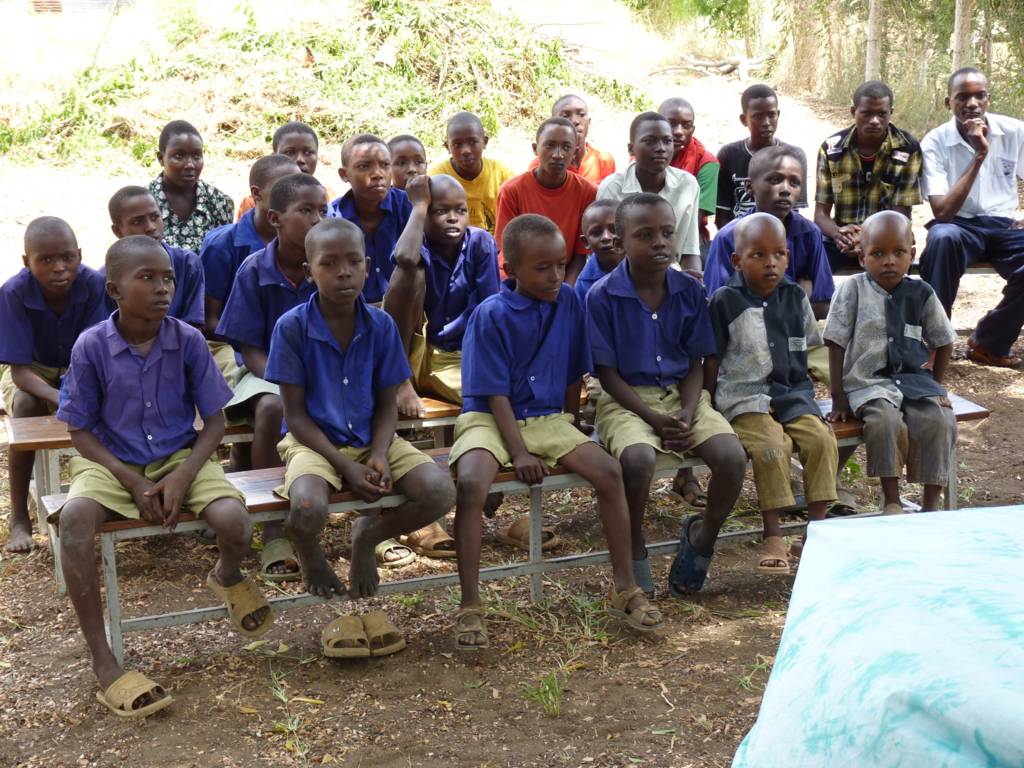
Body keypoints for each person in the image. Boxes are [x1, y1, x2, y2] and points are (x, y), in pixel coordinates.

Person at [56, 236, 271, 718]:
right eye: (146, 278)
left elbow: (214, 422)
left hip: (179, 457)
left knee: (235, 522)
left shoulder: (188, 340)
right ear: (114, 288)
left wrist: (183, 476)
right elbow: (79, 431)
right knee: (73, 523)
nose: (161, 288)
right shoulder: (92, 346)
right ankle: (103, 660)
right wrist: (131, 482)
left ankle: (227, 575)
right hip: (112, 463)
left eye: (168, 277)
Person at [449, 214, 662, 650]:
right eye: (541, 268)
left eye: (560, 265)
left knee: (608, 471)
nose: (554, 276)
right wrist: (519, 453)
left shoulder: (568, 301)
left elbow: (572, 371)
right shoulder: (491, 314)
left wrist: (571, 424)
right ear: (511, 269)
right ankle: (470, 604)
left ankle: (624, 586)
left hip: (546, 418)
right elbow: (494, 396)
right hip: (492, 418)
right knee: (471, 482)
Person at [266, 219, 455, 656]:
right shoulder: (292, 328)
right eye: (328, 264)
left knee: (439, 491)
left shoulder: (382, 325)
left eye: (353, 262)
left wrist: (381, 453)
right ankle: (309, 550)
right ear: (309, 269)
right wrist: (345, 465)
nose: (343, 272)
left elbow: (388, 403)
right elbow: (294, 417)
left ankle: (368, 537)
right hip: (313, 441)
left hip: (374, 435)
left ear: (369, 267)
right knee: (308, 506)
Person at [587, 194, 746, 598]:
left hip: (682, 393)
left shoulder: (689, 291)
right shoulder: (602, 296)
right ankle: (634, 542)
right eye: (645, 235)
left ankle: (703, 535)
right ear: (621, 242)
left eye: (667, 233)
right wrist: (654, 419)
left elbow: (696, 362)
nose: (659, 242)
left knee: (731, 457)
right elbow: (606, 375)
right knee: (638, 460)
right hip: (626, 398)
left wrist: (688, 411)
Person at [706, 213, 838, 575]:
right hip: (744, 397)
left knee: (821, 440)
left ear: (789, 256)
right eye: (758, 255)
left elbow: (813, 350)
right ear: (737, 260)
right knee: (771, 447)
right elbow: (711, 359)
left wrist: (841, 394)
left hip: (793, 393)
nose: (771, 263)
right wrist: (707, 404)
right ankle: (774, 533)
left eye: (779, 254)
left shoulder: (795, 297)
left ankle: (816, 529)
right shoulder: (724, 301)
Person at [382, 174, 500, 558]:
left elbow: (487, 309)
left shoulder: (480, 243)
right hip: (410, 349)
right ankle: (400, 380)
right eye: (439, 211)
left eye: (460, 211)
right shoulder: (416, 245)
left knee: (490, 398)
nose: (452, 219)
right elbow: (403, 259)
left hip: (459, 354)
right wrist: (417, 206)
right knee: (408, 275)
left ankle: (479, 484)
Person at [215, 172, 325, 582]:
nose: (317, 219)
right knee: (272, 407)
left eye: (322, 210)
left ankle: (375, 513)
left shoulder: (329, 263)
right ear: (276, 218)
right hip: (264, 371)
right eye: (306, 211)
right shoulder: (254, 269)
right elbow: (248, 347)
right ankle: (273, 528)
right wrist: (285, 379)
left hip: (324, 369)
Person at [825, 211, 957, 514]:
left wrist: (936, 383)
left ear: (911, 254)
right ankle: (893, 500)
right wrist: (838, 397)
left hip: (915, 381)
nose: (889, 261)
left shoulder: (921, 292)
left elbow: (944, 339)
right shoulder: (853, 290)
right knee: (885, 422)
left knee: (939, 420)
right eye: (878, 253)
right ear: (861, 258)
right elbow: (834, 342)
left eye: (898, 253)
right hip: (868, 384)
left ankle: (930, 506)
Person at [0, 217, 107, 553]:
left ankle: (99, 494)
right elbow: (19, 371)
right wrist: (60, 397)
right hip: (32, 370)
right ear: (26, 262)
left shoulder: (92, 283)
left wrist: (76, 392)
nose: (59, 268)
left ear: (79, 254)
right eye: (45, 260)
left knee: (106, 403)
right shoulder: (14, 292)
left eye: (67, 257)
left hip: (82, 367)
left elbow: (96, 349)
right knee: (26, 406)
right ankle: (19, 514)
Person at [919, 67, 1024, 367]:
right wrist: (979, 155)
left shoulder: (1014, 131)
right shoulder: (935, 142)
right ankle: (935, 343)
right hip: (958, 225)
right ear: (947, 103)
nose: (972, 104)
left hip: (1004, 225)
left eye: (979, 96)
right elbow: (942, 211)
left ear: (989, 99)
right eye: (962, 97)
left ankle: (989, 341)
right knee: (941, 239)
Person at [814, 80, 923, 273]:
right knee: (812, 259)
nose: (874, 120)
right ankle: (826, 303)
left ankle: (894, 302)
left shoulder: (907, 148)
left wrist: (866, 238)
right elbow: (821, 215)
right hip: (843, 239)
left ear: (891, 112)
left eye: (882, 114)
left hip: (888, 235)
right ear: (853, 111)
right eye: (867, 113)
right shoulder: (831, 150)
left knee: (899, 250)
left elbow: (901, 215)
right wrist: (839, 234)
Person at [200, 155, 301, 347]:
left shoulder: (307, 240)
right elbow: (208, 321)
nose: (295, 196)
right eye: (284, 190)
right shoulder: (221, 245)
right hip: (231, 345)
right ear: (257, 194)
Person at [597, 112, 702, 274]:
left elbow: (690, 250)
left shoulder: (687, 184)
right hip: (623, 274)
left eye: (667, 141)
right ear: (631, 149)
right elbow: (608, 254)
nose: (661, 149)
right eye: (649, 141)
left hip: (672, 274)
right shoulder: (613, 188)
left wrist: (694, 285)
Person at [495, 117, 597, 283]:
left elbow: (580, 254)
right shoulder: (511, 191)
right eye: (550, 145)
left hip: (562, 276)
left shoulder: (587, 192)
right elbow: (507, 250)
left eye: (566, 147)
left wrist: (566, 291)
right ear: (535, 149)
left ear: (575, 151)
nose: (558, 155)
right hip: (520, 277)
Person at [327, 134, 412, 304]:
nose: (377, 174)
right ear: (344, 175)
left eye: (385, 165)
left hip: (403, 309)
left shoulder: (408, 205)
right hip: (354, 312)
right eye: (364, 166)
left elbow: (417, 263)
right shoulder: (333, 218)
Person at [106, 186, 205, 328]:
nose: (151, 227)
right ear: (117, 231)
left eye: (155, 217)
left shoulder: (187, 263)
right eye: (137, 222)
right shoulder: (109, 275)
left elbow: (195, 324)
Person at [715, 85, 807, 230]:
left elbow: (794, 213)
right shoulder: (728, 155)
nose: (766, 123)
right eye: (758, 116)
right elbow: (722, 215)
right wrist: (733, 244)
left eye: (771, 115)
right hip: (738, 237)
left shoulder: (794, 157)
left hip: (781, 238)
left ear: (778, 114)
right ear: (744, 119)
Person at [148, 120, 234, 253]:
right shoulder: (144, 203)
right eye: (179, 156)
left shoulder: (219, 202)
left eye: (196, 156)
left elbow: (226, 255)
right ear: (160, 158)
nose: (190, 164)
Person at [428, 112, 514, 233]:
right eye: (457, 144)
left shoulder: (501, 174)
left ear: (484, 142)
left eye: (473, 142)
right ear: (448, 147)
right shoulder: (435, 178)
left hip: (495, 247)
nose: (466, 151)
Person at [659, 97, 720, 251]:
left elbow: (694, 219)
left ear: (693, 129)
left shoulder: (706, 162)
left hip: (688, 239)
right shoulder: (644, 155)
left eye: (686, 126)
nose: (679, 132)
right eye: (671, 123)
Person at [237, 122, 333, 218]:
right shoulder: (254, 202)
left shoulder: (329, 198)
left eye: (308, 152)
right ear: (274, 156)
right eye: (289, 152)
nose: (300, 159)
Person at [526, 94, 616, 183]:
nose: (575, 121)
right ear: (553, 123)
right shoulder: (541, 165)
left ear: (589, 122)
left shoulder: (605, 161)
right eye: (565, 116)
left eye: (581, 114)